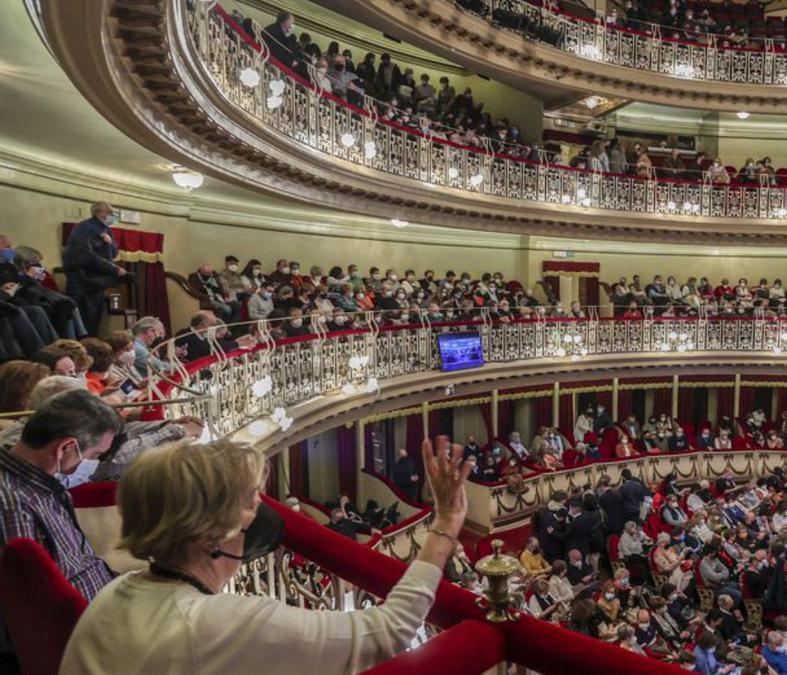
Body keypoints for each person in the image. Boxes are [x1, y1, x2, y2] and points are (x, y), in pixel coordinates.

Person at [60, 435, 475, 674]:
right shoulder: (222, 622)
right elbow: (392, 629)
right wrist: (446, 522)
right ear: (212, 531)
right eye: (250, 500)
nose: (262, 507)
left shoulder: (112, 597)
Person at [0, 390, 123, 654]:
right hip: (83, 639)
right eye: (94, 455)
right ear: (66, 448)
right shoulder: (13, 503)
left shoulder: (40, 483)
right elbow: (31, 610)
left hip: (99, 608)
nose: (93, 464)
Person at [63, 202, 128, 335]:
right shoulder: (84, 227)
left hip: (98, 282)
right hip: (84, 281)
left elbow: (114, 253)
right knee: (84, 319)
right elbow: (86, 256)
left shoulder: (107, 229)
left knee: (94, 318)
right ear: (99, 213)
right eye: (110, 213)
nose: (113, 216)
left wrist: (108, 243)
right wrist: (115, 271)